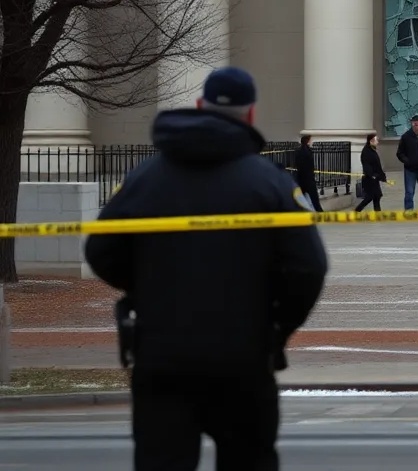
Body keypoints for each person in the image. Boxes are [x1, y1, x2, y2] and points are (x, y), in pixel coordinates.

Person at [83, 66, 328, 470]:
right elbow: (309, 268)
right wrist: (276, 326)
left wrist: (150, 288)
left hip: (162, 355)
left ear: (200, 106)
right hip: (244, 357)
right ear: (250, 114)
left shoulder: (144, 178)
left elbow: (101, 250)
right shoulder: (270, 184)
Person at [355, 133, 387, 213]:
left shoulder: (373, 150)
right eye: (376, 140)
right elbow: (367, 166)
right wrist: (373, 175)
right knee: (370, 197)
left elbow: (377, 165)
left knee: (377, 196)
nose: (377, 142)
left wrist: (382, 176)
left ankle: (378, 213)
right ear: (371, 141)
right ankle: (357, 211)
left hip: (374, 178)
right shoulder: (366, 152)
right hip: (369, 179)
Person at [295, 134, 322, 212]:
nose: (311, 142)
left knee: (300, 199)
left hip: (301, 179)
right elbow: (310, 166)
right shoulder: (308, 152)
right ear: (307, 141)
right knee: (315, 200)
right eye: (311, 140)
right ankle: (321, 213)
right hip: (309, 179)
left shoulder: (298, 151)